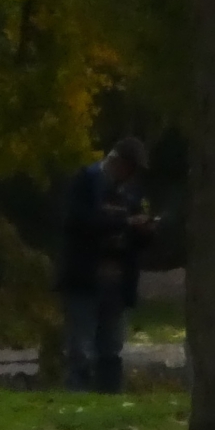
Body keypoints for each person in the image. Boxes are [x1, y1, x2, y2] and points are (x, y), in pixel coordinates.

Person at [57, 137, 157, 392]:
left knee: (111, 348)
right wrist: (124, 223)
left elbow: (136, 237)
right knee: (81, 347)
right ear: (116, 162)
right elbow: (77, 222)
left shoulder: (131, 193)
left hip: (118, 279)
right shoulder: (85, 182)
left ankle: (110, 396)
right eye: (128, 168)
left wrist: (144, 231)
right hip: (86, 277)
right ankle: (78, 394)